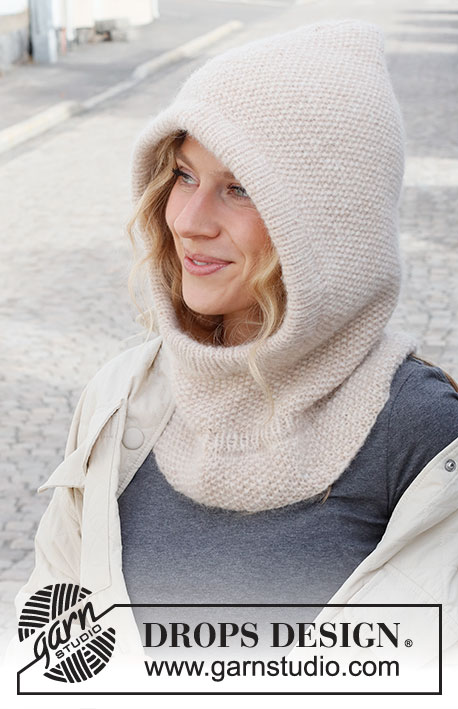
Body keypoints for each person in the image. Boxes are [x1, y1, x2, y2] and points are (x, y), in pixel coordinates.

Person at [12, 19, 458, 667]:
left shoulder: (421, 432)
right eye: (184, 175)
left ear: (329, 221)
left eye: (239, 188)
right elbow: (49, 652)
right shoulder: (119, 401)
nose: (188, 220)